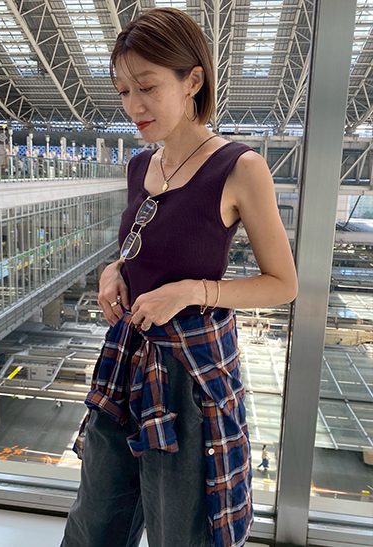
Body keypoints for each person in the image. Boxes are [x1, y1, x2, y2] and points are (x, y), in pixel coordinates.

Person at [60, 7, 298, 547]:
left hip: (189, 373)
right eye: (123, 92)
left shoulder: (239, 167)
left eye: (146, 87)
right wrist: (113, 270)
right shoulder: (139, 166)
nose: (133, 106)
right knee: (95, 521)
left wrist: (193, 292)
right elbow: (145, 250)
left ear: (193, 80)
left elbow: (283, 283)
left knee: (182, 529)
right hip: (126, 359)